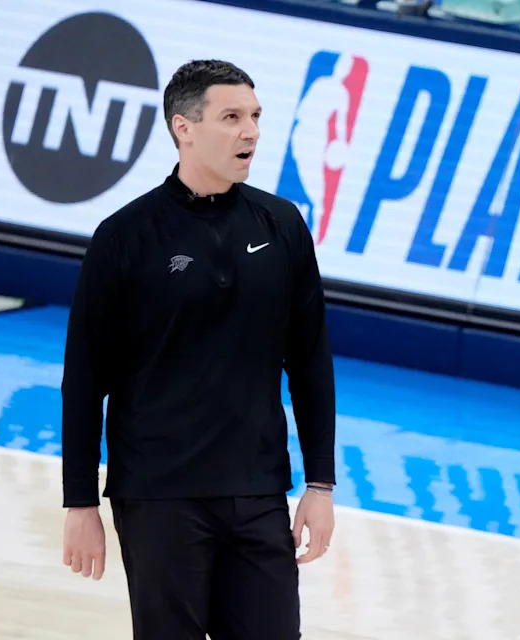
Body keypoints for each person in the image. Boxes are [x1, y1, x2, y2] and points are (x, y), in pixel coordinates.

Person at [59, 59, 336, 640]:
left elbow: (310, 361)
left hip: (258, 490)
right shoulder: (126, 236)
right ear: (183, 127)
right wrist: (80, 503)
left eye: (256, 116)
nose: (251, 132)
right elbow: (85, 379)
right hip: (160, 494)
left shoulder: (282, 224)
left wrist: (320, 484)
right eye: (231, 117)